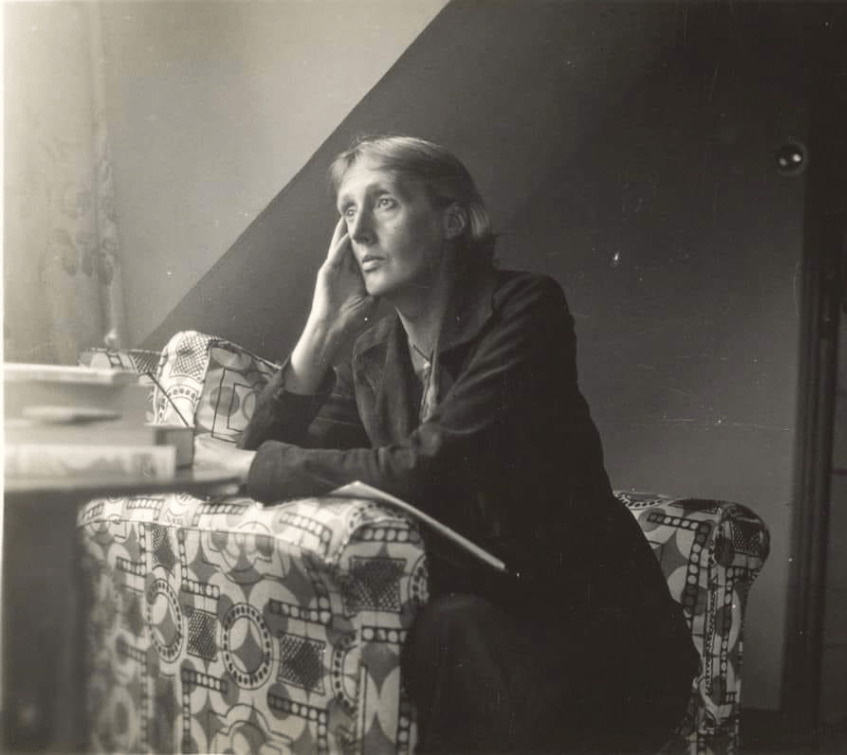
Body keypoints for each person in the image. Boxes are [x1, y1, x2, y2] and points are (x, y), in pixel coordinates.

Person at [216, 135, 697, 753]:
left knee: (451, 627)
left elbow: (425, 469)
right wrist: (319, 331)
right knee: (448, 626)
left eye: (383, 203)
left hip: (603, 648)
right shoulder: (373, 355)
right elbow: (260, 466)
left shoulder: (525, 308)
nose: (358, 231)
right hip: (483, 631)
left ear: (453, 220)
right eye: (347, 211)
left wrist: (251, 465)